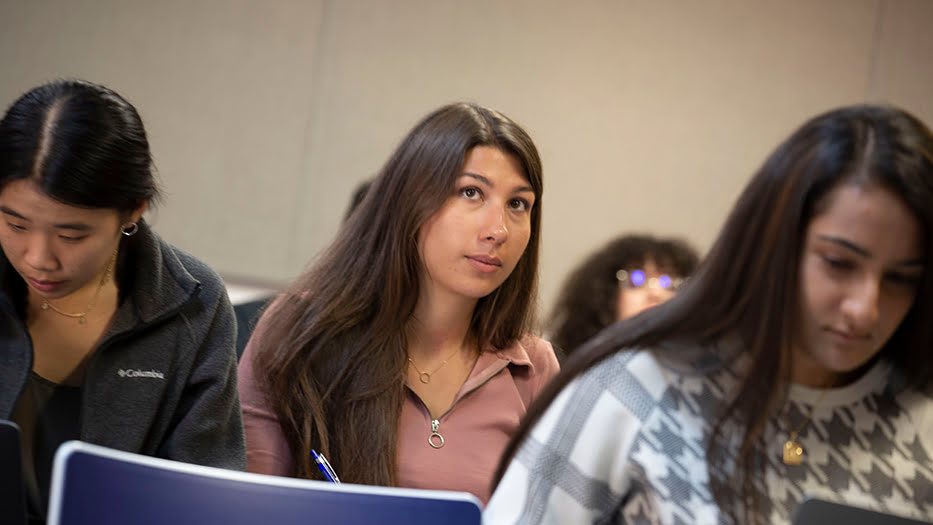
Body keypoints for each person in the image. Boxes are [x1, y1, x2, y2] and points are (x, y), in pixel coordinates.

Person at [486, 104, 933, 524]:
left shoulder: (922, 423)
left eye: (900, 279)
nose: (864, 309)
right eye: (838, 263)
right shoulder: (637, 388)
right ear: (773, 245)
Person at [238, 102, 559, 504]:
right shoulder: (303, 331)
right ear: (409, 201)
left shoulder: (533, 369)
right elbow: (249, 508)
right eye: (471, 192)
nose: (498, 230)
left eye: (518, 204)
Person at [0, 80, 245, 523]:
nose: (38, 259)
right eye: (15, 225)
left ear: (133, 210)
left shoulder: (192, 302)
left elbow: (205, 493)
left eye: (71, 235)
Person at [547, 234, 699, 358]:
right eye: (636, 280)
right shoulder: (571, 375)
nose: (656, 293)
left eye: (668, 283)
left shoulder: (702, 376)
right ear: (605, 297)